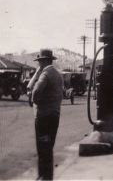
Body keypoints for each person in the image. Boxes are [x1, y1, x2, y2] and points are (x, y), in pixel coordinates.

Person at [27, 49, 63, 180]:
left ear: (44, 61)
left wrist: (34, 100)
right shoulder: (58, 74)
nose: (38, 65)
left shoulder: (45, 74)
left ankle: (43, 177)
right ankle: (48, 177)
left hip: (43, 117)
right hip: (54, 116)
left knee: (42, 148)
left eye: (40, 62)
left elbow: (35, 92)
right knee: (49, 147)